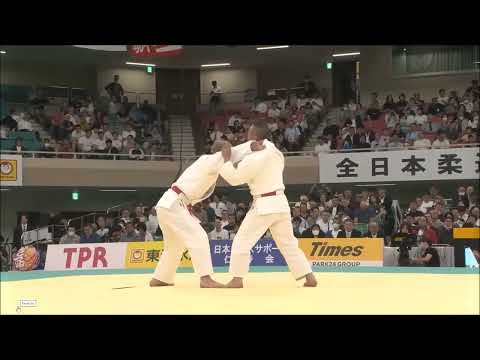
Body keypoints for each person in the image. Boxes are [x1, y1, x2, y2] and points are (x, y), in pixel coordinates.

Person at [150, 140, 264, 288]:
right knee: (199, 236)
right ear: (220, 152)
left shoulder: (207, 164)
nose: (228, 158)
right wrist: (249, 146)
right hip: (175, 204)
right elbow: (230, 151)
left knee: (173, 246)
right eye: (225, 153)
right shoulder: (210, 159)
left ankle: (162, 277)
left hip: (168, 204)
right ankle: (205, 278)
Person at [219, 120, 317, 288]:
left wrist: (224, 161)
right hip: (281, 202)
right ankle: (309, 276)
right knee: (288, 243)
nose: (247, 136)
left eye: (249, 134)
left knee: (242, 241)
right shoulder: (274, 150)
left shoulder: (255, 159)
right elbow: (253, 147)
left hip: (265, 204)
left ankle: (237, 279)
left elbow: (235, 179)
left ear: (254, 137)